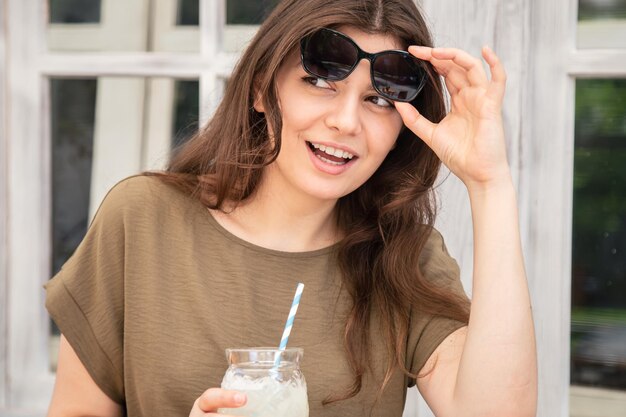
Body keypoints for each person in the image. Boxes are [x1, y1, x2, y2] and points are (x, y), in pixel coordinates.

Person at [44, 0, 538, 416]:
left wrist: (489, 183)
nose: (346, 122)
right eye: (320, 82)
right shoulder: (143, 220)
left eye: (378, 101)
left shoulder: (405, 258)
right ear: (262, 88)